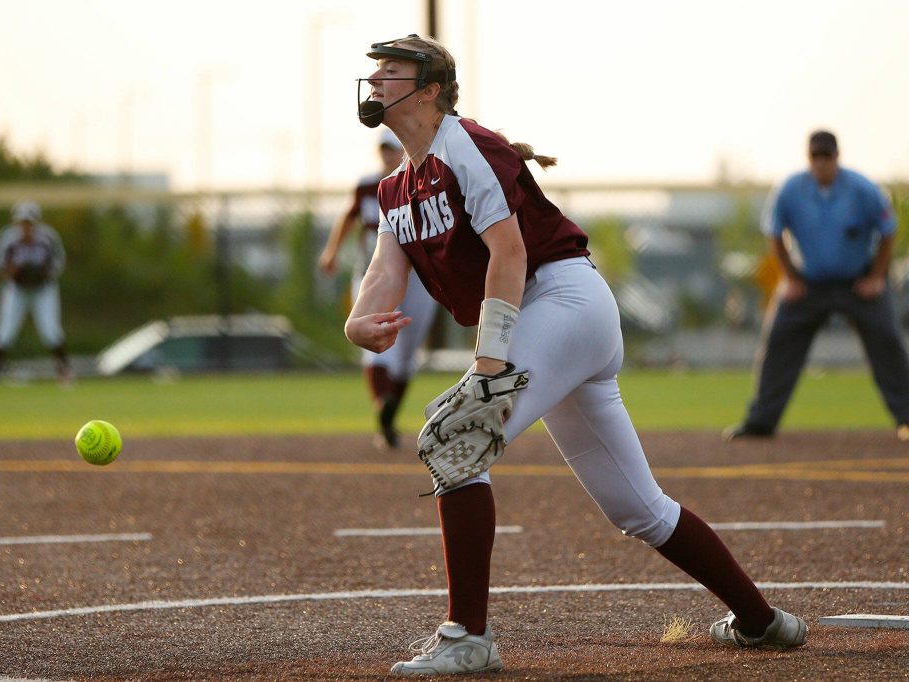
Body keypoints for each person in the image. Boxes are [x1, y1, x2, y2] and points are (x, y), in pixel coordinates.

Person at [344, 34, 807, 676]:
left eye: (390, 73)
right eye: (374, 73)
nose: (374, 83)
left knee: (457, 436)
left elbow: (510, 253)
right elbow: (383, 271)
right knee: (640, 510)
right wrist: (358, 321)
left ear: (428, 89)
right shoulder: (399, 186)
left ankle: (467, 637)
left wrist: (489, 365)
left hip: (562, 300)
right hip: (552, 316)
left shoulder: (464, 145)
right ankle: (763, 621)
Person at [725, 130, 909, 441]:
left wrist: (877, 277)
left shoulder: (862, 189)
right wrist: (791, 278)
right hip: (809, 284)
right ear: (808, 159)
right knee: (778, 341)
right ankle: (761, 420)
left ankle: (907, 418)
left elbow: (887, 230)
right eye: (816, 157)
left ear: (837, 157)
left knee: (888, 340)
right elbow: (774, 233)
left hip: (857, 282)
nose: (822, 163)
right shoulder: (791, 190)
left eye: (827, 157)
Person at [319, 129, 440, 448]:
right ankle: (382, 403)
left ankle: (389, 415)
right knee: (372, 339)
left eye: (393, 148)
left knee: (408, 350)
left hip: (420, 278)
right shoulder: (369, 185)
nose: (388, 154)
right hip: (374, 272)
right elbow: (349, 215)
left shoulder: (426, 177)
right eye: (384, 149)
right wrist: (332, 251)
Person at [0, 201, 71, 387]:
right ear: (16, 222)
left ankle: (65, 372)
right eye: (22, 222)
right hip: (16, 289)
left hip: (43, 289)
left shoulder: (47, 237)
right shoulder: (8, 238)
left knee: (51, 331)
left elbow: (59, 262)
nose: (26, 226)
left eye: (29, 222)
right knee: (4, 332)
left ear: (36, 222)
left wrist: (42, 272)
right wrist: (13, 272)